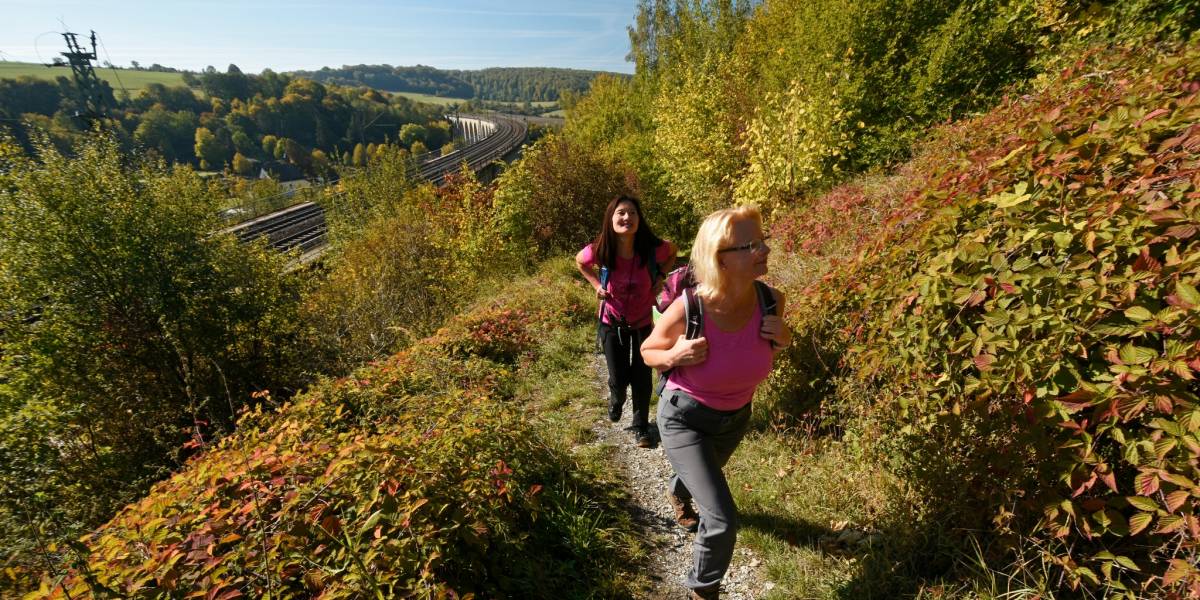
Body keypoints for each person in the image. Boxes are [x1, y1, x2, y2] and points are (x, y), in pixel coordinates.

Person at [640, 206, 791, 600]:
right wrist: (675, 355)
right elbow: (648, 350)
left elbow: (774, 346)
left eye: (763, 240)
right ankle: (702, 590)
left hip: (736, 417)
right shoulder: (691, 307)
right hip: (684, 417)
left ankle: (679, 487)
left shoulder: (772, 301)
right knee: (722, 519)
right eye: (751, 244)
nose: (764, 249)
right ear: (720, 257)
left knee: (702, 481)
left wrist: (785, 336)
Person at [576, 195, 676, 448]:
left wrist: (661, 274)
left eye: (632, 213)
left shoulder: (651, 248)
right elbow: (581, 261)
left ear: (639, 219)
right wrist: (597, 286)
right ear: (610, 219)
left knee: (642, 376)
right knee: (619, 377)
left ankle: (640, 426)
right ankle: (616, 397)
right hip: (612, 322)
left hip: (643, 322)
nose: (626, 218)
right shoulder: (602, 249)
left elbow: (673, 252)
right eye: (621, 213)